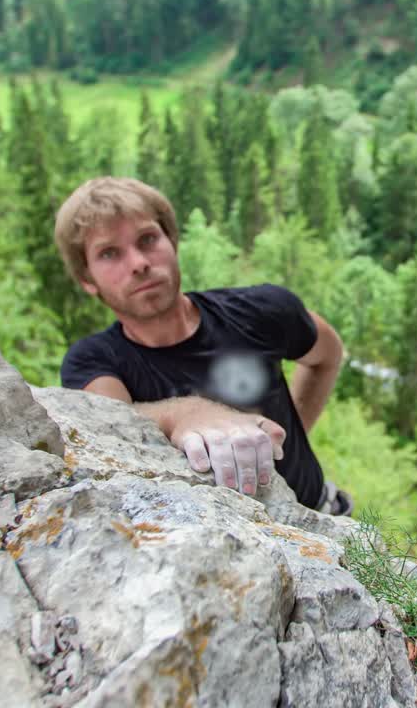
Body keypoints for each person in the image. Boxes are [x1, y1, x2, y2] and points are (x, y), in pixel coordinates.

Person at [54, 177, 350, 513]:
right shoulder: (93, 361)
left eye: (148, 238)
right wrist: (186, 414)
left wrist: (291, 437)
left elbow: (327, 354)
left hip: (322, 520)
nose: (138, 263)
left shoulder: (261, 310)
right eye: (109, 253)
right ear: (88, 280)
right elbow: (110, 419)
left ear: (172, 241)